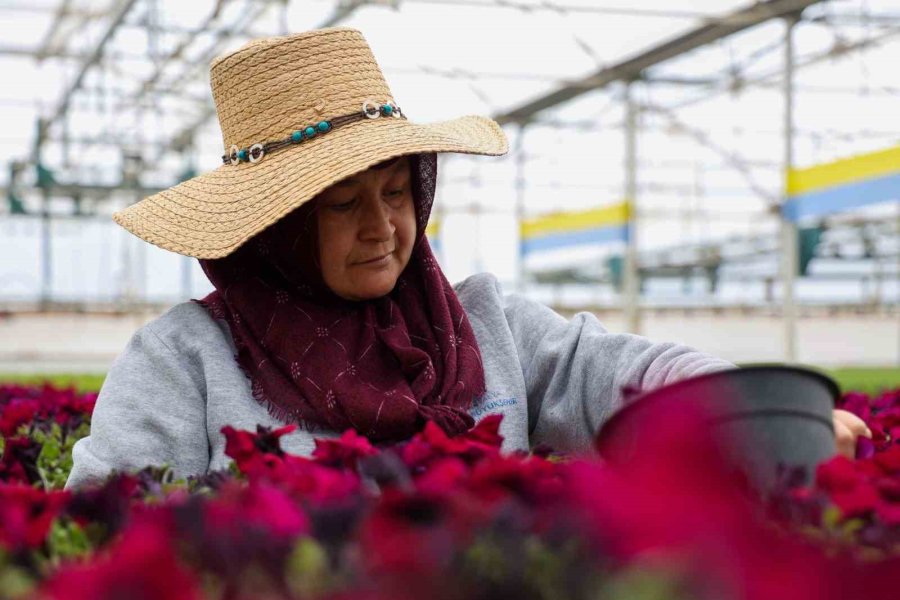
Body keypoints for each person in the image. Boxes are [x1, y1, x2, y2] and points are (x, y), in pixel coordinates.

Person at [65, 27, 870, 491]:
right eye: (342, 205)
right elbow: (102, 521)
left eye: (395, 191)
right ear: (277, 227)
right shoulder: (182, 362)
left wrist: (746, 413)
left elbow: (618, 371)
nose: (383, 226)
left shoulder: (488, 326)